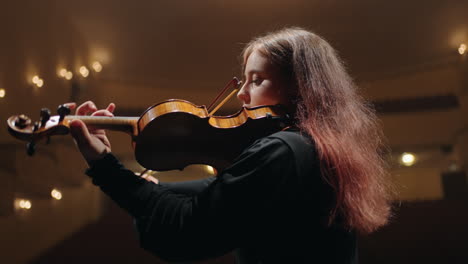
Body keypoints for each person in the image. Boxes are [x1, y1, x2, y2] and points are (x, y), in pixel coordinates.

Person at [68, 27, 392, 263]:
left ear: (298, 86)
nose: (241, 94)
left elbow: (186, 231)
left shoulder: (282, 151)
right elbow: (216, 189)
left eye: (257, 80)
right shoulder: (317, 150)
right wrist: (150, 187)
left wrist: (105, 165)